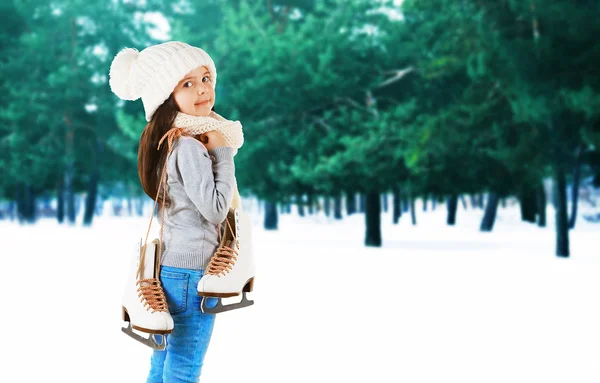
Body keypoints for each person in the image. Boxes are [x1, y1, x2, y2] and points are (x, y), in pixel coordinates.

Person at [109, 41, 242, 383]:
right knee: (184, 366)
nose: (202, 89)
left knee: (164, 360)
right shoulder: (189, 146)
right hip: (193, 272)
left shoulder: (171, 141)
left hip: (172, 268)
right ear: (165, 96)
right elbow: (215, 210)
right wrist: (224, 153)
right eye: (187, 83)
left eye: (206, 77)